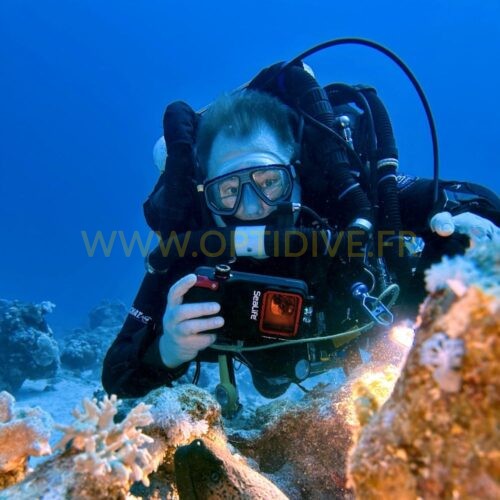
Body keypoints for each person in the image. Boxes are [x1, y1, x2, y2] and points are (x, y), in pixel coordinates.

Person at [102, 63, 499, 402]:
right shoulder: (193, 247)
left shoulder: (340, 202)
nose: (253, 207)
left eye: (269, 182)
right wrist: (167, 350)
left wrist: (461, 219)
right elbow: (116, 375)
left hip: (376, 336)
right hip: (263, 360)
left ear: (295, 174)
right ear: (207, 195)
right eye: (229, 190)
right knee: (269, 380)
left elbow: (478, 200)